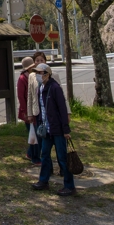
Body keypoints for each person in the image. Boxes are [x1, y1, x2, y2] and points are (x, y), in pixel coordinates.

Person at [31, 63, 76, 196]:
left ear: (47, 74)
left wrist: (66, 129)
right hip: (46, 129)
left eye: (41, 73)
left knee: (62, 158)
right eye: (37, 73)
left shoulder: (55, 88)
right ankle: (43, 181)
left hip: (57, 129)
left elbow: (62, 109)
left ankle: (70, 186)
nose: (39, 76)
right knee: (44, 155)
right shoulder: (41, 88)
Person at [17, 56, 41, 165]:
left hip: (36, 109)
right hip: (27, 111)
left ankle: (30, 153)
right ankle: (35, 158)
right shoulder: (22, 79)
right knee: (34, 135)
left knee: (36, 134)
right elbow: (21, 97)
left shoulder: (35, 76)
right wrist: (25, 112)